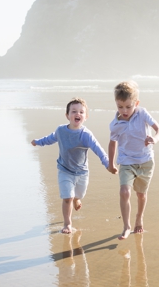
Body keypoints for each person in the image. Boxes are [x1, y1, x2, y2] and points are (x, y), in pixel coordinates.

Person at [32, 98, 116, 234]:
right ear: (67, 115)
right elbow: (50, 138)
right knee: (67, 197)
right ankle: (67, 223)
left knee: (78, 195)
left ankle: (77, 199)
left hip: (82, 172)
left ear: (86, 117)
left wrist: (108, 165)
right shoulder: (61, 131)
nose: (78, 114)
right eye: (74, 111)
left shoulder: (86, 135)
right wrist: (38, 142)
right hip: (64, 170)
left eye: (82, 112)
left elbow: (98, 150)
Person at [108, 81, 159, 238]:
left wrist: (154, 139)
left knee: (141, 195)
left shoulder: (142, 113)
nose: (124, 110)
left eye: (128, 106)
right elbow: (113, 143)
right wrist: (111, 163)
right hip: (126, 162)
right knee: (124, 192)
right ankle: (126, 226)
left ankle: (139, 218)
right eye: (120, 107)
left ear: (136, 103)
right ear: (116, 104)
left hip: (146, 161)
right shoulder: (115, 124)